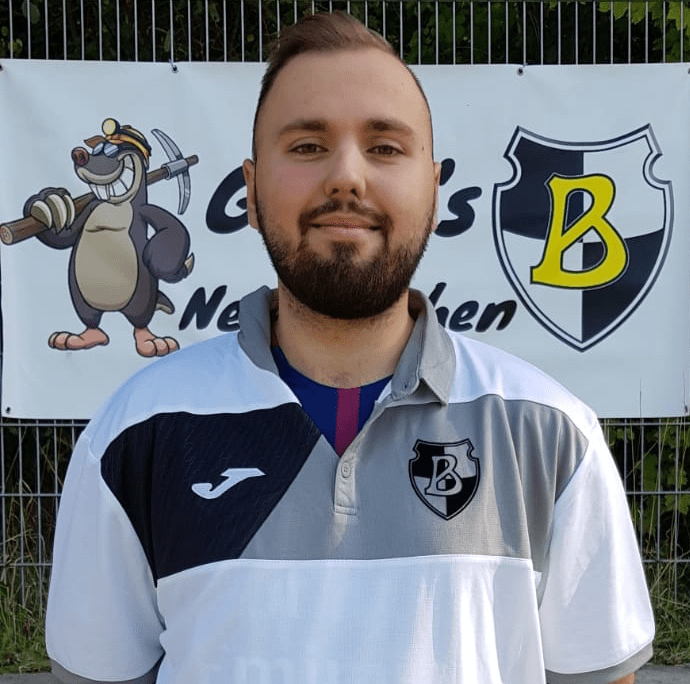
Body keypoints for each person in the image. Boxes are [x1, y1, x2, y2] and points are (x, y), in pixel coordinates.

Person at [45, 11, 654, 684]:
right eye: (307, 146)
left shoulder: (551, 432)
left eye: (385, 147)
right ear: (251, 191)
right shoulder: (135, 434)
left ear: (434, 190)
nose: (346, 177)